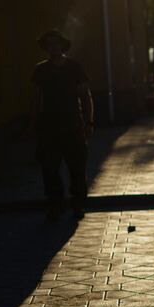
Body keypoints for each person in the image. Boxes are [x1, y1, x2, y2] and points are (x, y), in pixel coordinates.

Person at [29, 29, 94, 220]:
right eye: (49, 44)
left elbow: (86, 96)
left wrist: (89, 121)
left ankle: (78, 204)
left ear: (62, 45)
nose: (53, 47)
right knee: (50, 169)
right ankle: (55, 205)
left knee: (77, 168)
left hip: (74, 125)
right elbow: (35, 99)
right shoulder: (40, 70)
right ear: (46, 48)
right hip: (48, 127)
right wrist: (31, 125)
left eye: (56, 43)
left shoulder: (74, 67)